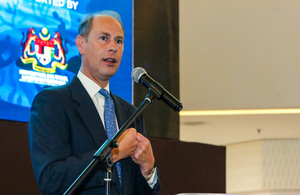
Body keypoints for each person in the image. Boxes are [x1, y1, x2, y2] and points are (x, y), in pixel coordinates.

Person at [28, 11, 160, 195]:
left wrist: (149, 169)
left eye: (119, 41)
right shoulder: (53, 102)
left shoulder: (131, 113)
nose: (113, 47)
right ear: (81, 44)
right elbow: (51, 179)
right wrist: (113, 153)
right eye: (104, 38)